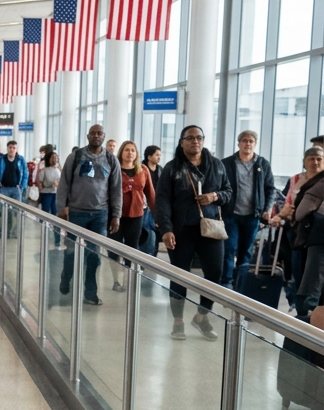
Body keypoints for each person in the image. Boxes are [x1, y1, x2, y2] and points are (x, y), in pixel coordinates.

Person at [155, 125, 232, 340]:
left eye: (199, 137)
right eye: (190, 138)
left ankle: (201, 316)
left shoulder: (216, 165)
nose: (195, 141)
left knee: (214, 274)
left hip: (210, 228)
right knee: (179, 274)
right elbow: (162, 200)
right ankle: (178, 321)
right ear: (182, 142)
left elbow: (228, 192)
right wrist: (166, 229)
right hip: (181, 230)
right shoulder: (172, 168)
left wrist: (214, 196)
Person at [57, 125, 121, 306]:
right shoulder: (75, 157)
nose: (96, 136)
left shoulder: (111, 160)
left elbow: (116, 190)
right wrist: (62, 207)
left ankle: (90, 293)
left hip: (100, 215)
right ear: (87, 136)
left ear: (104, 136)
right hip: (77, 213)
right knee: (71, 252)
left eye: (99, 133)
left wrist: (116, 214)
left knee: (94, 256)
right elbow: (64, 183)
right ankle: (66, 276)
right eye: (92, 133)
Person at [221, 131, 276, 289]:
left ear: (255, 144)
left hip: (253, 215)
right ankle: (226, 283)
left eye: (251, 141)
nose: (248, 144)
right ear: (238, 143)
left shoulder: (262, 164)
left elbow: (270, 189)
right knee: (229, 249)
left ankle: (241, 283)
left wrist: (267, 209)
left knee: (246, 252)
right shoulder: (227, 163)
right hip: (231, 214)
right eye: (244, 141)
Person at [280, 147, 324, 317]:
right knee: (299, 274)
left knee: (312, 278)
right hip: (298, 232)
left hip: (316, 234)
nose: (315, 162)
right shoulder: (296, 180)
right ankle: (302, 314)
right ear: (304, 161)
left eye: (319, 159)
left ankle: (309, 315)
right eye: (311, 159)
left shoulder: (321, 181)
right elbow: (287, 201)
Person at [108, 141, 156, 291]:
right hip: (116, 215)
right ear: (121, 152)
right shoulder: (114, 168)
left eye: (133, 150)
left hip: (136, 214)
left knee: (132, 248)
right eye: (127, 150)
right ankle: (116, 280)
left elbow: (150, 193)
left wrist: (157, 215)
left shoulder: (143, 170)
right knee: (114, 248)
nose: (130, 153)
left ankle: (129, 279)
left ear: (137, 154)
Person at [37, 150, 62, 246]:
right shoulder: (44, 171)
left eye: (56, 158)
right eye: (53, 158)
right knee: (45, 212)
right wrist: (45, 186)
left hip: (55, 193)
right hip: (46, 193)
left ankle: (57, 238)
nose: (55, 159)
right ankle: (44, 233)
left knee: (55, 214)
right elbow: (40, 183)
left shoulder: (58, 170)